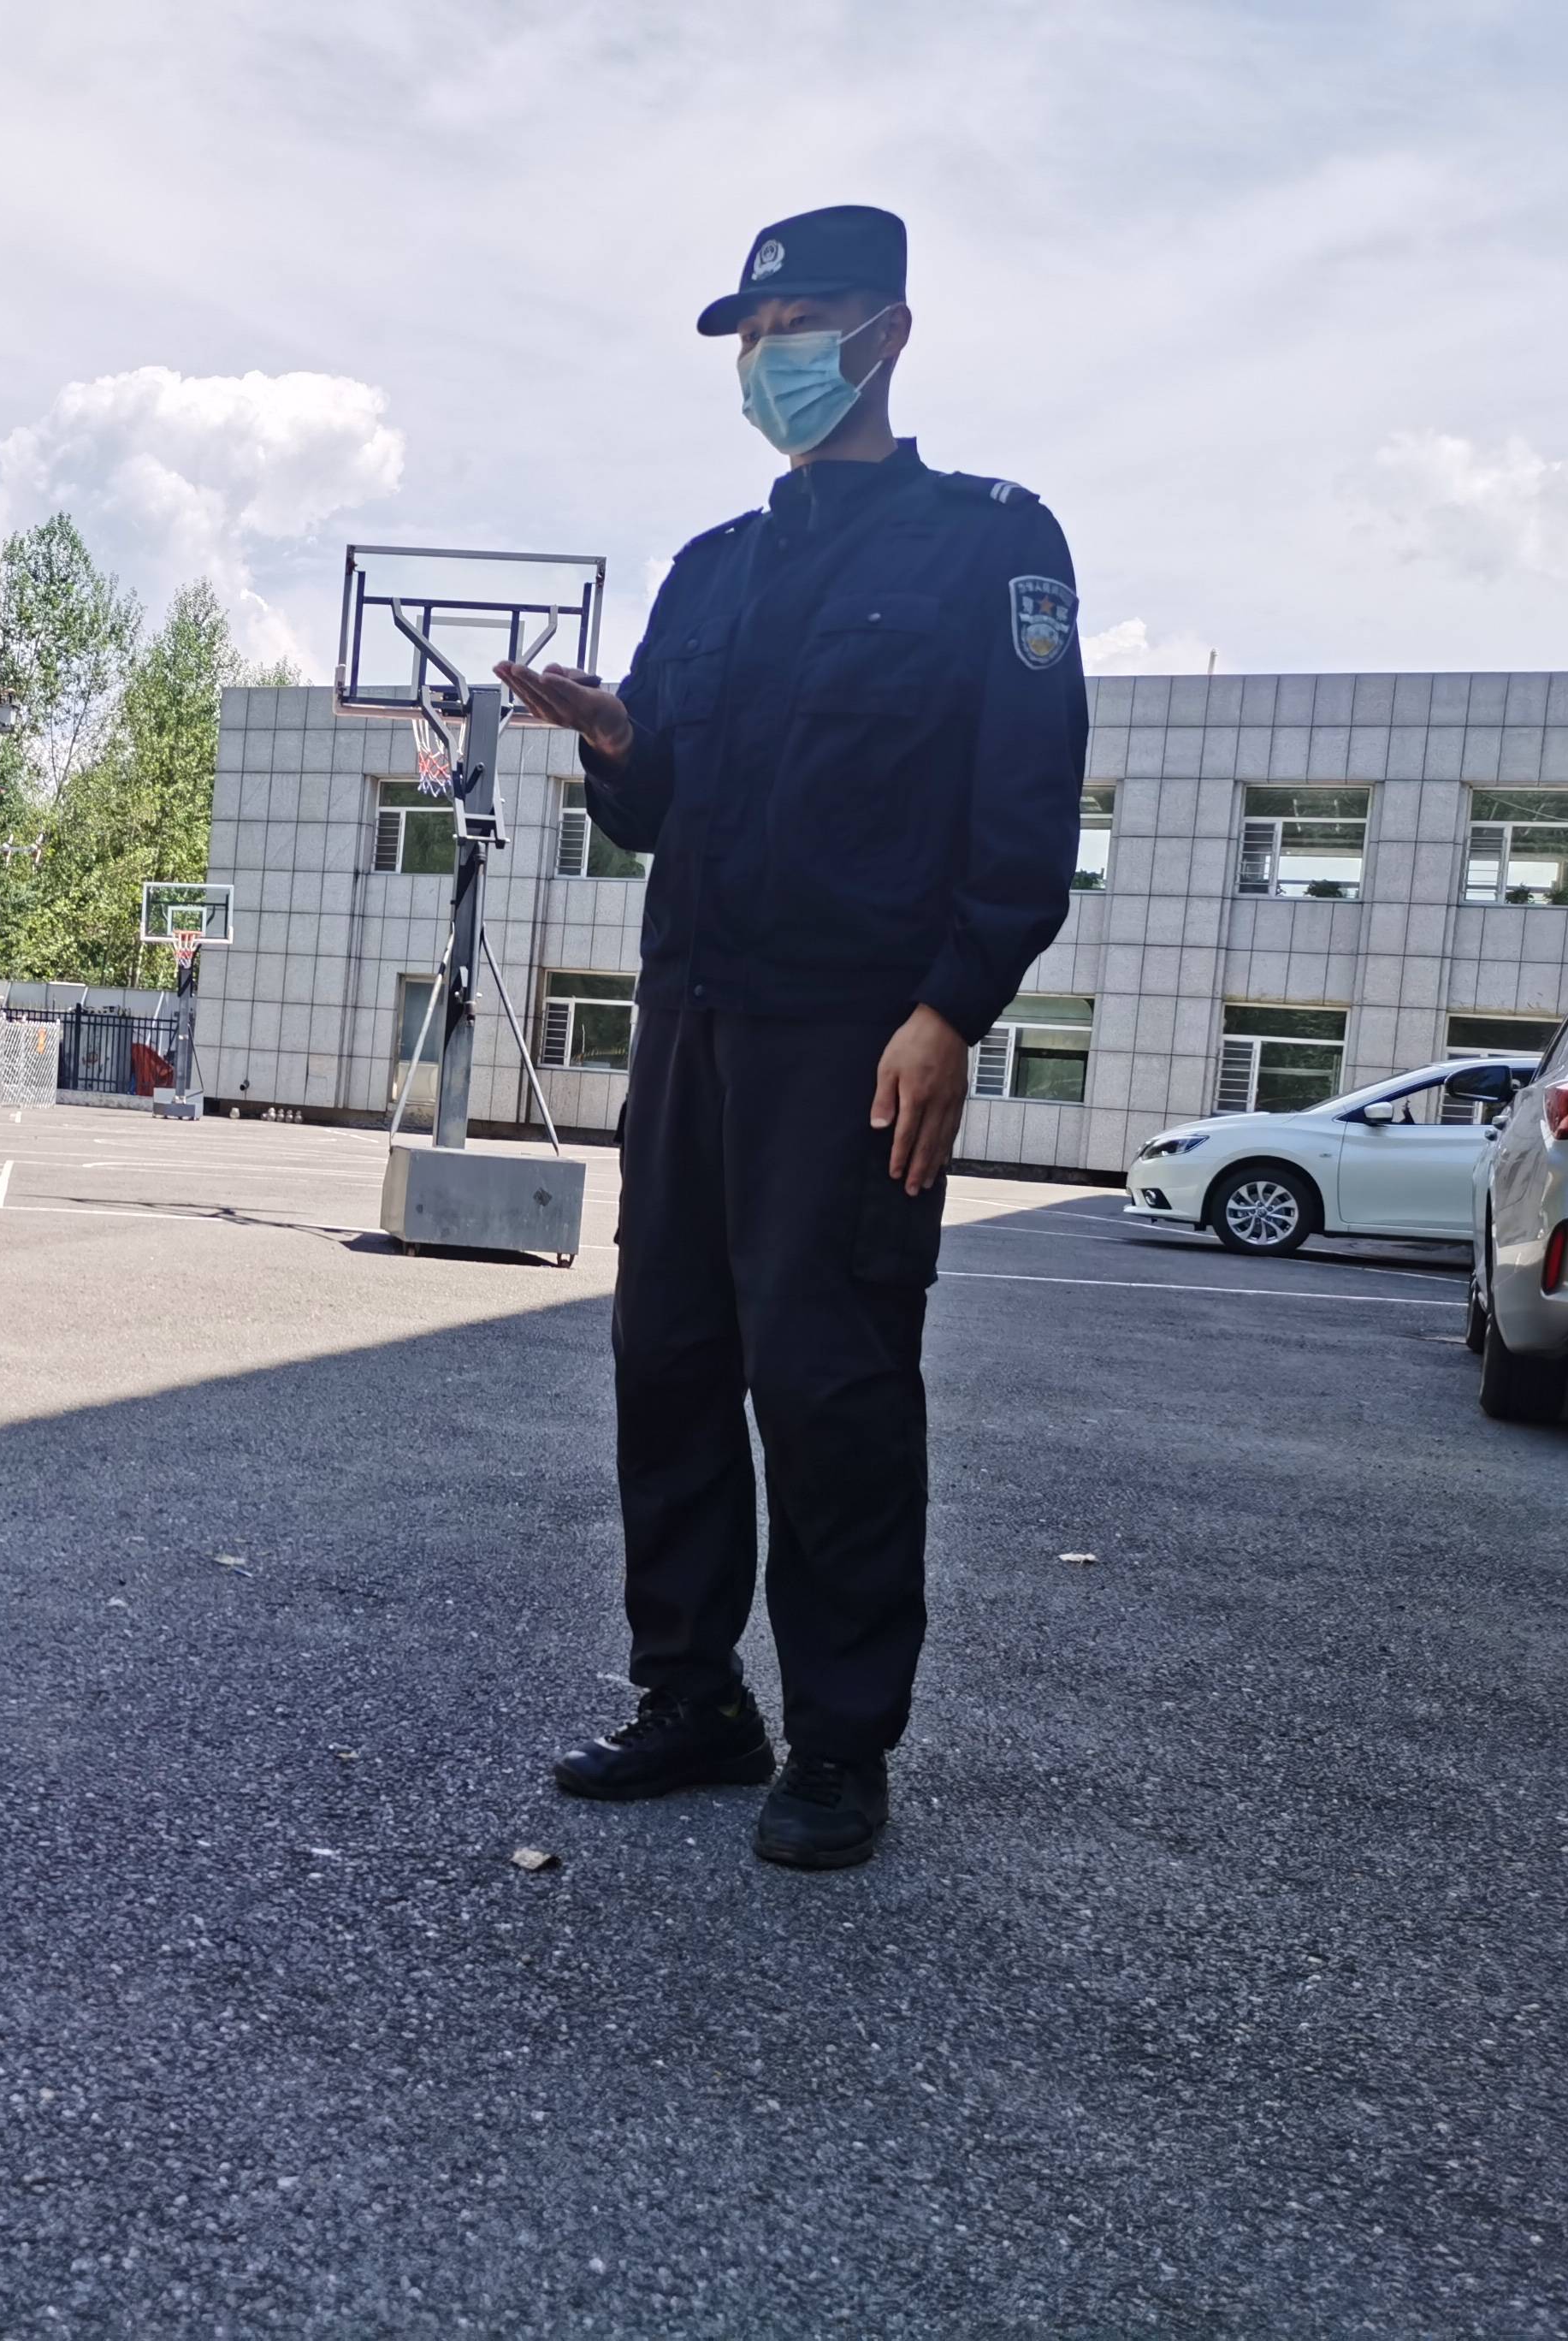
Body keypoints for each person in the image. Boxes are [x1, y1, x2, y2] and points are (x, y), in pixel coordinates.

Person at [496, 204, 1086, 1870]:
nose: (768, 360)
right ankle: (693, 1698)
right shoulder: (711, 574)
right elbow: (654, 808)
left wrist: (950, 1011)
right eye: (751, 338)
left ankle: (838, 1740)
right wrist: (616, 742)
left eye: (796, 324)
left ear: (887, 334)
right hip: (691, 1015)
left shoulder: (991, 546)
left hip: (858, 1036)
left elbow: (1025, 807)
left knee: (828, 1382)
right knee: (668, 1360)